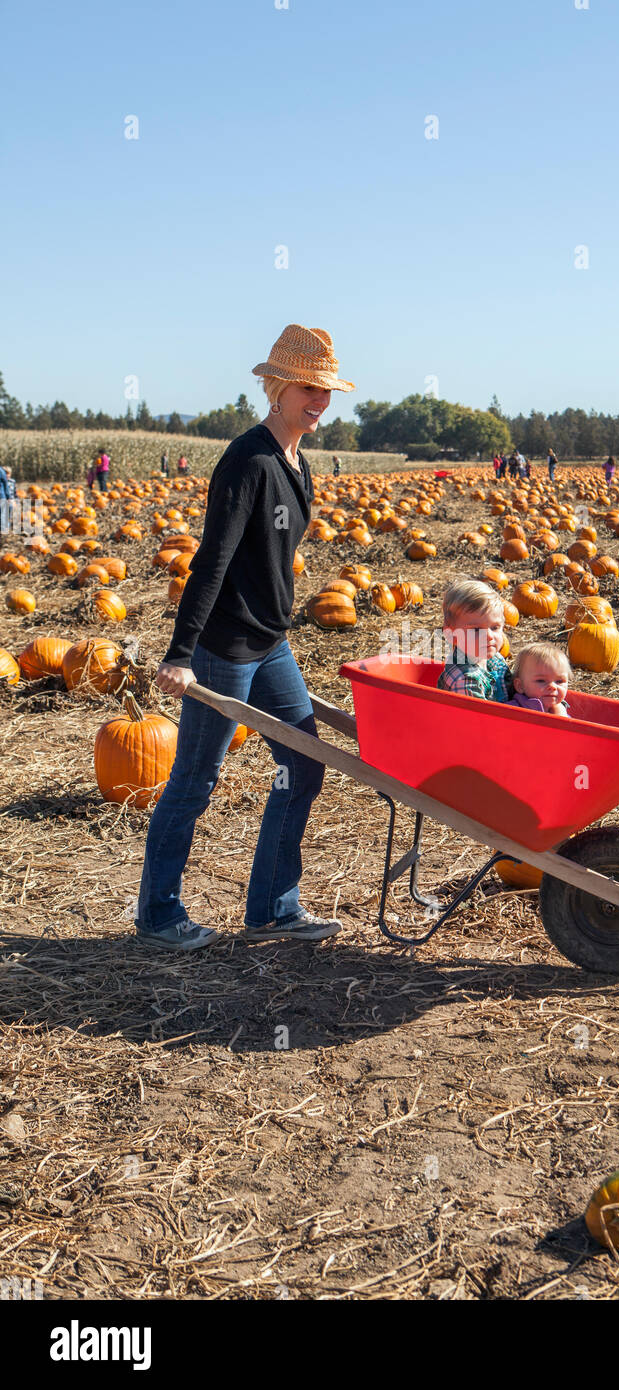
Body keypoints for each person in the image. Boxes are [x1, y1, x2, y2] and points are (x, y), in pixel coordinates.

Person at [134, 323, 355, 951]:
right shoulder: (248, 460)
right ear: (278, 387)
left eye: (327, 391)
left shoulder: (297, 462)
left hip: (272, 644)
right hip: (225, 649)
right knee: (195, 779)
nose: (319, 401)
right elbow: (213, 559)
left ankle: (272, 908)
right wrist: (181, 653)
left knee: (303, 764)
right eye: (309, 389)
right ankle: (156, 914)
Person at [437, 579, 510, 703]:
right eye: (476, 630)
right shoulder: (465, 680)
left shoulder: (494, 658)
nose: (489, 636)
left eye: (494, 628)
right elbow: (479, 719)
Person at [508, 643, 570, 718]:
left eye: (559, 681)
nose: (553, 687)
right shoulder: (512, 711)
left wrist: (563, 718)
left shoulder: (562, 710)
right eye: (541, 680)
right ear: (520, 686)